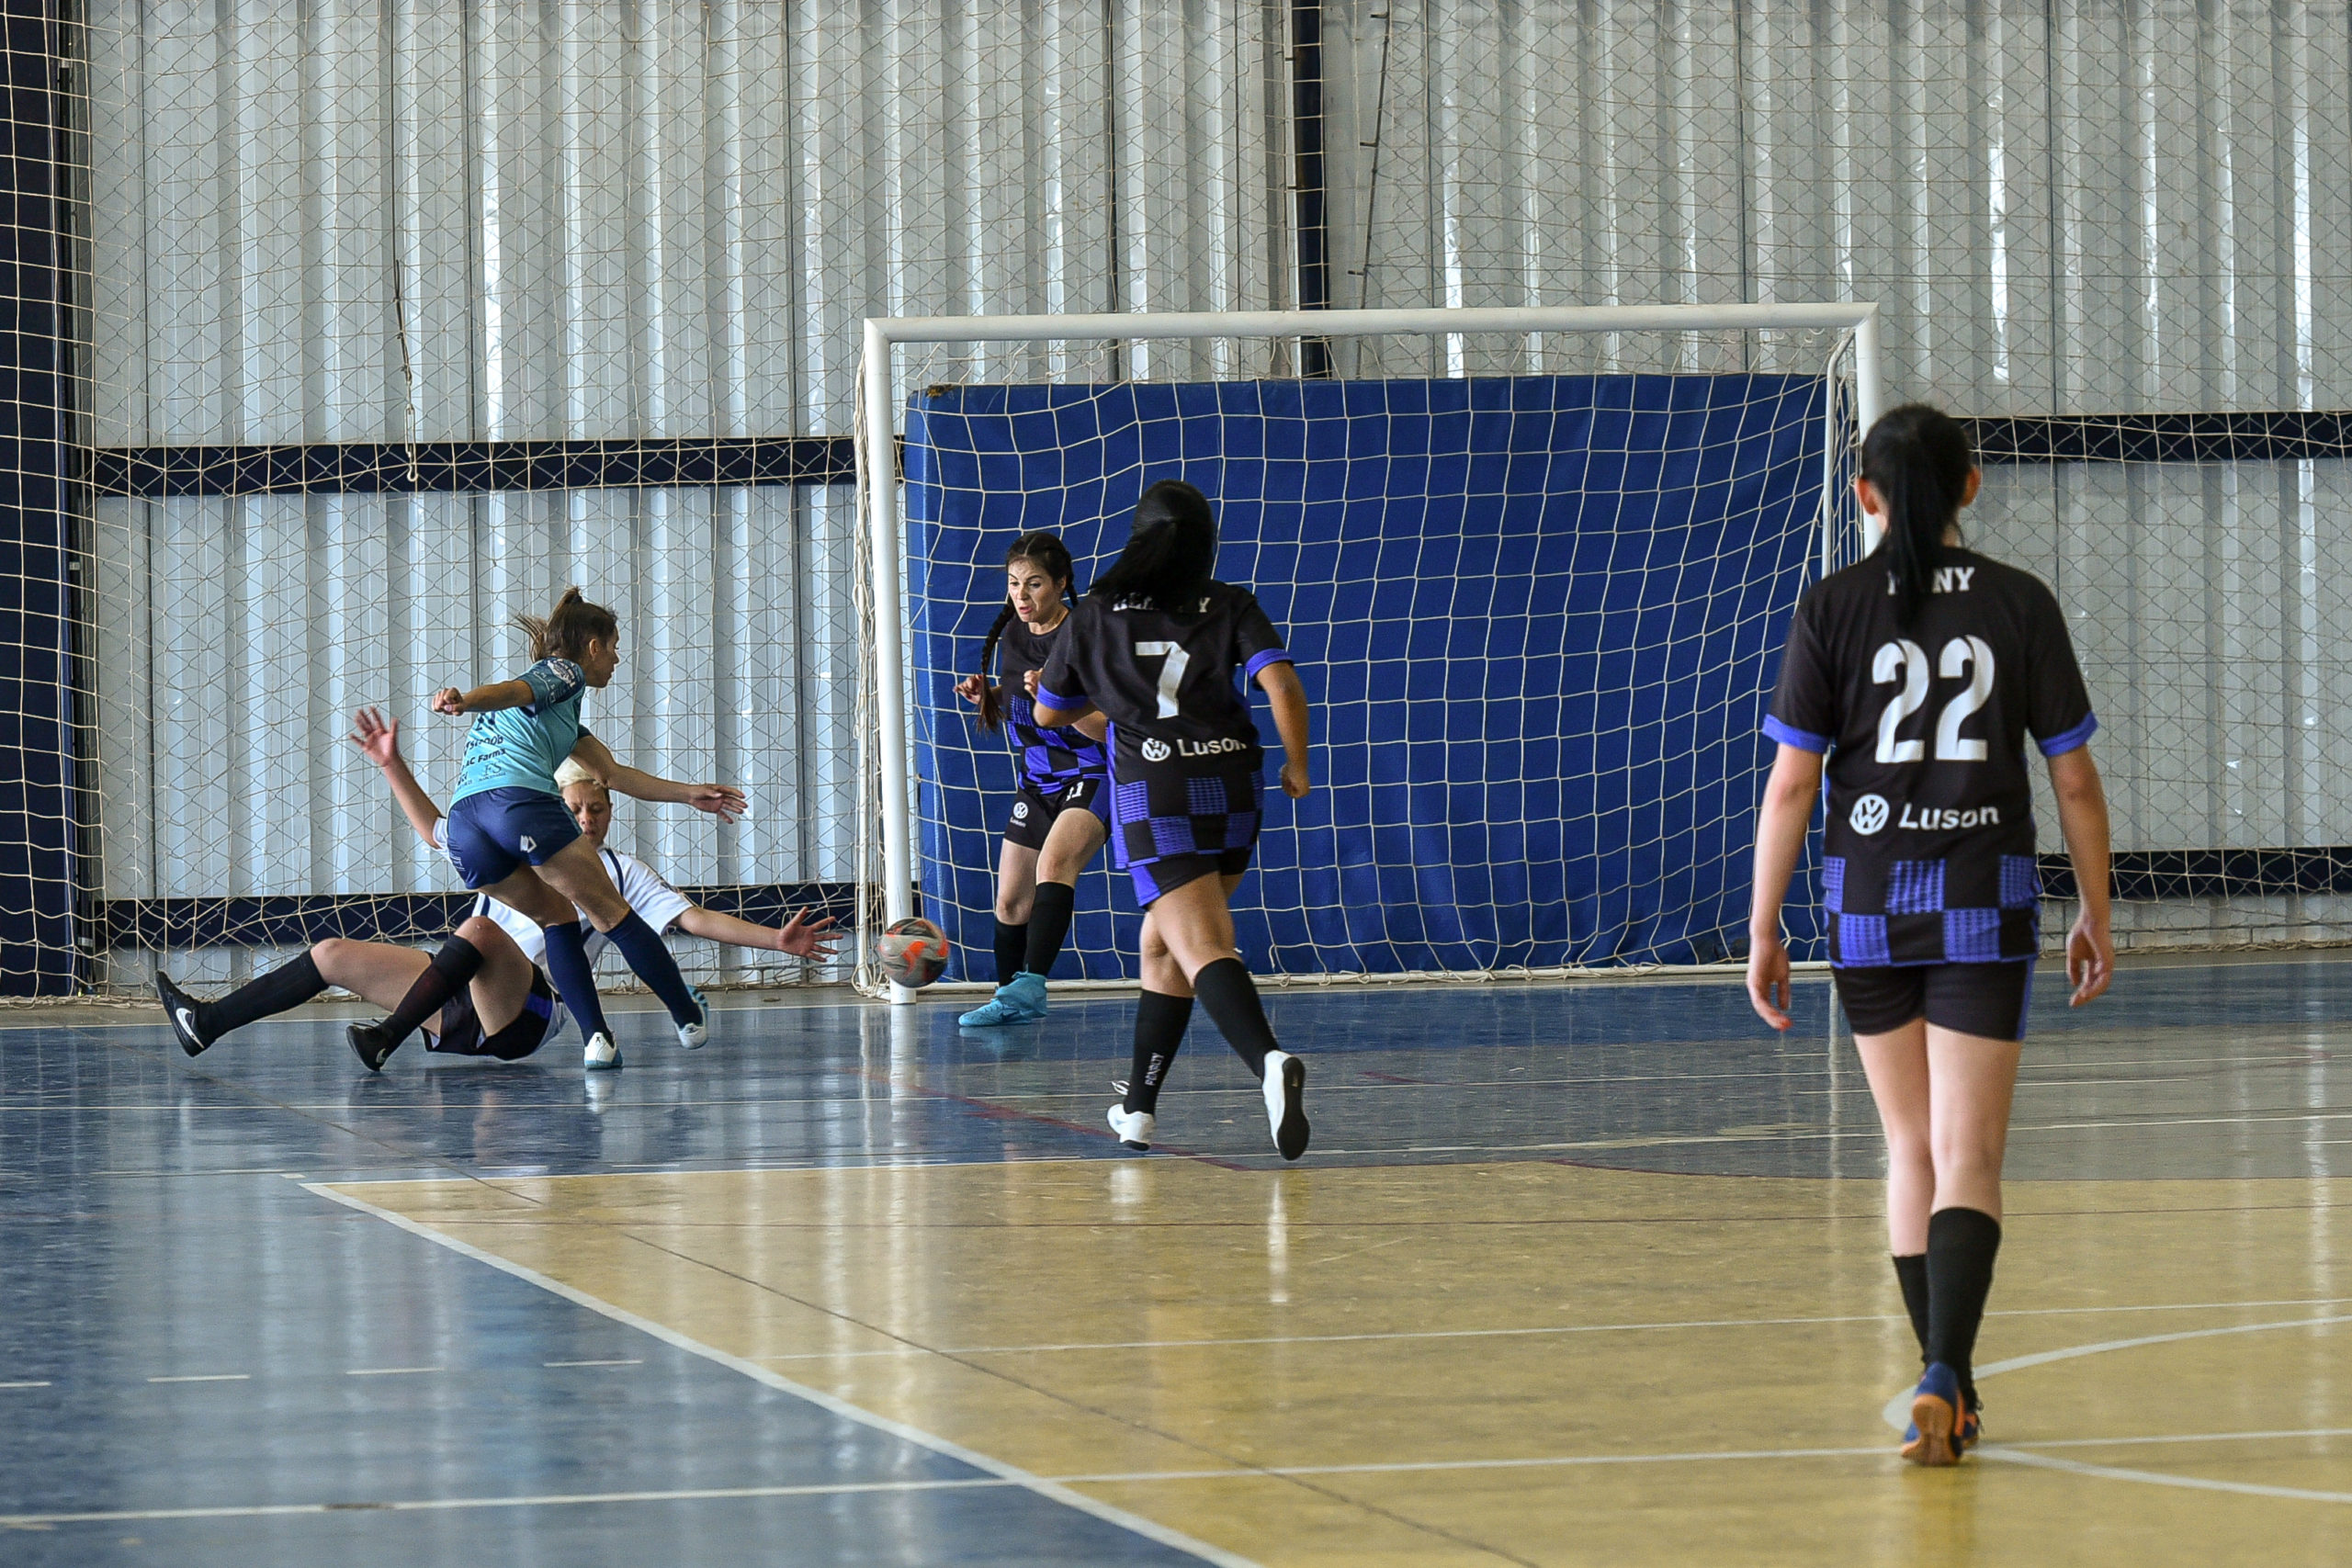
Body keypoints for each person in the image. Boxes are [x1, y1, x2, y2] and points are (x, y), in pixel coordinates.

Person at [1745, 403, 2114, 1467]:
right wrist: (2093, 905)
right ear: (1972, 486)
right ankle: (1946, 1371)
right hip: (1982, 903)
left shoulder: (1831, 606)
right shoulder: (2018, 602)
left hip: (1866, 908)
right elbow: (2074, 776)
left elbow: (1790, 788)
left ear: (1863, 496)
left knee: (1909, 1149)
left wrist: (1763, 925)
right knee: (1971, 1156)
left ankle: (1942, 1383)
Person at [157, 710, 839, 1071]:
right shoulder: (507, 840)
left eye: (596, 809)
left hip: (526, 1016)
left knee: (481, 932)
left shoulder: (621, 874)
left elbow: (692, 919)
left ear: (609, 810)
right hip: (457, 994)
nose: (586, 819)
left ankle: (387, 1039)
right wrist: (393, 766)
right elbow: (433, 828)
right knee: (333, 951)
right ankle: (205, 1024)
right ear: (551, 807)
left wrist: (773, 938)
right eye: (573, 808)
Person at [1033, 479, 1315, 1160]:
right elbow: (1281, 683)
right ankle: (1138, 1110)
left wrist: (1113, 714)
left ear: (1138, 537)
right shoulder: (1230, 602)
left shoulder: (1094, 613)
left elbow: (1046, 711)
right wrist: (1298, 765)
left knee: (1204, 945)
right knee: (1162, 942)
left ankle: (1269, 1061)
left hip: (1156, 794)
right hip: (1236, 785)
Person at [422, 587, 744, 1072]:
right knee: (613, 913)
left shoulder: (560, 719)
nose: (616, 660)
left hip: (466, 825)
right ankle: (686, 1014)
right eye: (613, 647)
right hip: (518, 804)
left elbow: (612, 775)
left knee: (558, 918)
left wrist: (688, 792)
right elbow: (513, 689)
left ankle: (597, 1040)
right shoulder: (564, 673)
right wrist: (465, 701)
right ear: (592, 646)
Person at [952, 531, 1112, 1026]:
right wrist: (990, 697)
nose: (1021, 596)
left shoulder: (1087, 634)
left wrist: (1056, 702)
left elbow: (1107, 727)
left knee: (1054, 866)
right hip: (1039, 779)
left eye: (1034, 584)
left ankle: (1034, 987)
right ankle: (1007, 1000)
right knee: (1010, 898)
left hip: (1093, 772)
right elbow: (1023, 705)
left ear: (1062, 584)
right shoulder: (1015, 636)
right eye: (1014, 584)